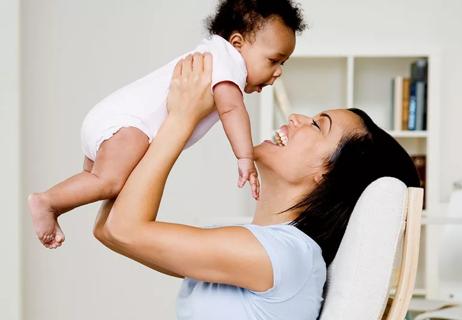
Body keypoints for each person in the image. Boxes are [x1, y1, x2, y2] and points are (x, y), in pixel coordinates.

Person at [93, 53, 420, 320]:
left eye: (318, 125)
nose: (296, 117)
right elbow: (109, 229)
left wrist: (180, 119)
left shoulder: (285, 256)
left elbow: (123, 229)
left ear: (329, 173)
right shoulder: (270, 250)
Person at [27, 0, 307, 249]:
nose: (278, 72)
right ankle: (48, 202)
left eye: (283, 63)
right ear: (237, 43)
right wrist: (244, 156)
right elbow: (233, 108)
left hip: (110, 120)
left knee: (103, 185)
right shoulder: (229, 62)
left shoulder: (213, 53)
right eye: (273, 60)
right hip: (128, 125)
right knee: (108, 181)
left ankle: (56, 203)